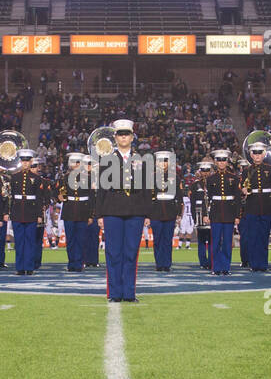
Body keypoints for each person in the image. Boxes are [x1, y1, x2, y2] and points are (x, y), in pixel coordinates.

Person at [95, 119, 151, 301]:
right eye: (120, 134)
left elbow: (146, 188)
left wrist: (148, 214)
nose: (124, 137)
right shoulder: (107, 160)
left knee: (131, 252)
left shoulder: (142, 160)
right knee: (113, 253)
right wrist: (99, 214)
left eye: (126, 134)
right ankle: (114, 293)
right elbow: (101, 189)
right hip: (112, 209)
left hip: (136, 210)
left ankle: (129, 293)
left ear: (132, 136)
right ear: (115, 137)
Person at [239, 141, 271, 272]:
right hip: (251, 207)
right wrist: (243, 191)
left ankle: (263, 264)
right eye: (255, 153)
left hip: (266, 206)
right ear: (251, 155)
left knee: (263, 237)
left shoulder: (270, 170)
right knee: (253, 238)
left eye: (260, 152)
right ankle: (254, 265)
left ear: (265, 154)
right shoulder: (246, 171)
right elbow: (241, 191)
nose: (257, 155)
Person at [204, 149, 241, 276]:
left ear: (227, 161)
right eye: (219, 160)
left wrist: (237, 215)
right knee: (215, 242)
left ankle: (226, 268)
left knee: (226, 242)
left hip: (229, 212)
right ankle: (215, 267)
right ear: (215, 162)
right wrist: (206, 214)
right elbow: (207, 198)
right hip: (215, 212)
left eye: (223, 160)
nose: (221, 163)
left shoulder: (234, 178)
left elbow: (237, 198)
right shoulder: (210, 179)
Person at [8, 150, 43, 275]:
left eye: (27, 161)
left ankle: (29, 267)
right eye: (23, 161)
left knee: (30, 241)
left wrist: (40, 215)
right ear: (20, 162)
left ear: (31, 162)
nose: (25, 163)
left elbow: (39, 198)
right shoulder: (15, 177)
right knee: (19, 241)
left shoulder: (37, 178)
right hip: (17, 211)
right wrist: (10, 212)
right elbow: (12, 197)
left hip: (31, 211)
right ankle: (20, 267)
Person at [148, 151, 181, 272]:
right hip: (155, 212)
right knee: (157, 240)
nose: (163, 163)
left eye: (165, 161)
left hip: (170, 211)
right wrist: (147, 215)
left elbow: (179, 197)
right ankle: (159, 263)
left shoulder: (175, 177)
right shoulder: (151, 177)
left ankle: (166, 264)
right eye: (160, 161)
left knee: (167, 240)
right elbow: (147, 198)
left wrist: (178, 213)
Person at [60, 153, 92, 272]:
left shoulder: (89, 178)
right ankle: (71, 263)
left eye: (78, 163)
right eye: (74, 163)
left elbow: (92, 198)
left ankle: (78, 263)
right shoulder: (64, 177)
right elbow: (58, 192)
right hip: (69, 210)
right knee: (71, 240)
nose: (76, 165)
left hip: (83, 211)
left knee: (81, 240)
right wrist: (59, 196)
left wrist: (91, 215)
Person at [191, 161, 212, 270]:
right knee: (202, 241)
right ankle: (203, 262)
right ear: (200, 171)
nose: (205, 173)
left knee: (213, 240)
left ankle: (211, 261)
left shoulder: (214, 183)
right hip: (200, 218)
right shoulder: (195, 185)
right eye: (203, 171)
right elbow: (193, 202)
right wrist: (195, 218)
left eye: (207, 171)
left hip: (213, 216)